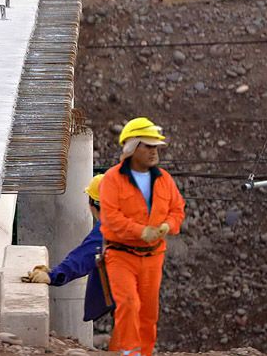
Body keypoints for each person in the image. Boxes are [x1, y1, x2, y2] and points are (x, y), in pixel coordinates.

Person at [100, 117, 186, 356]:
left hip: (153, 256)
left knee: (148, 312)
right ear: (131, 148)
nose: (153, 151)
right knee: (128, 304)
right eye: (148, 146)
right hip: (121, 255)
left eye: (155, 146)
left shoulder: (164, 180)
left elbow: (177, 209)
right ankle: (130, 352)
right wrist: (140, 231)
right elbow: (110, 217)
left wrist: (168, 225)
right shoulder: (112, 179)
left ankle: (143, 352)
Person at [23, 175, 116, 324]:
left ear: (93, 203)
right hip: (139, 295)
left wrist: (54, 275)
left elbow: (86, 255)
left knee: (127, 342)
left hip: (129, 302)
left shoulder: (110, 228)